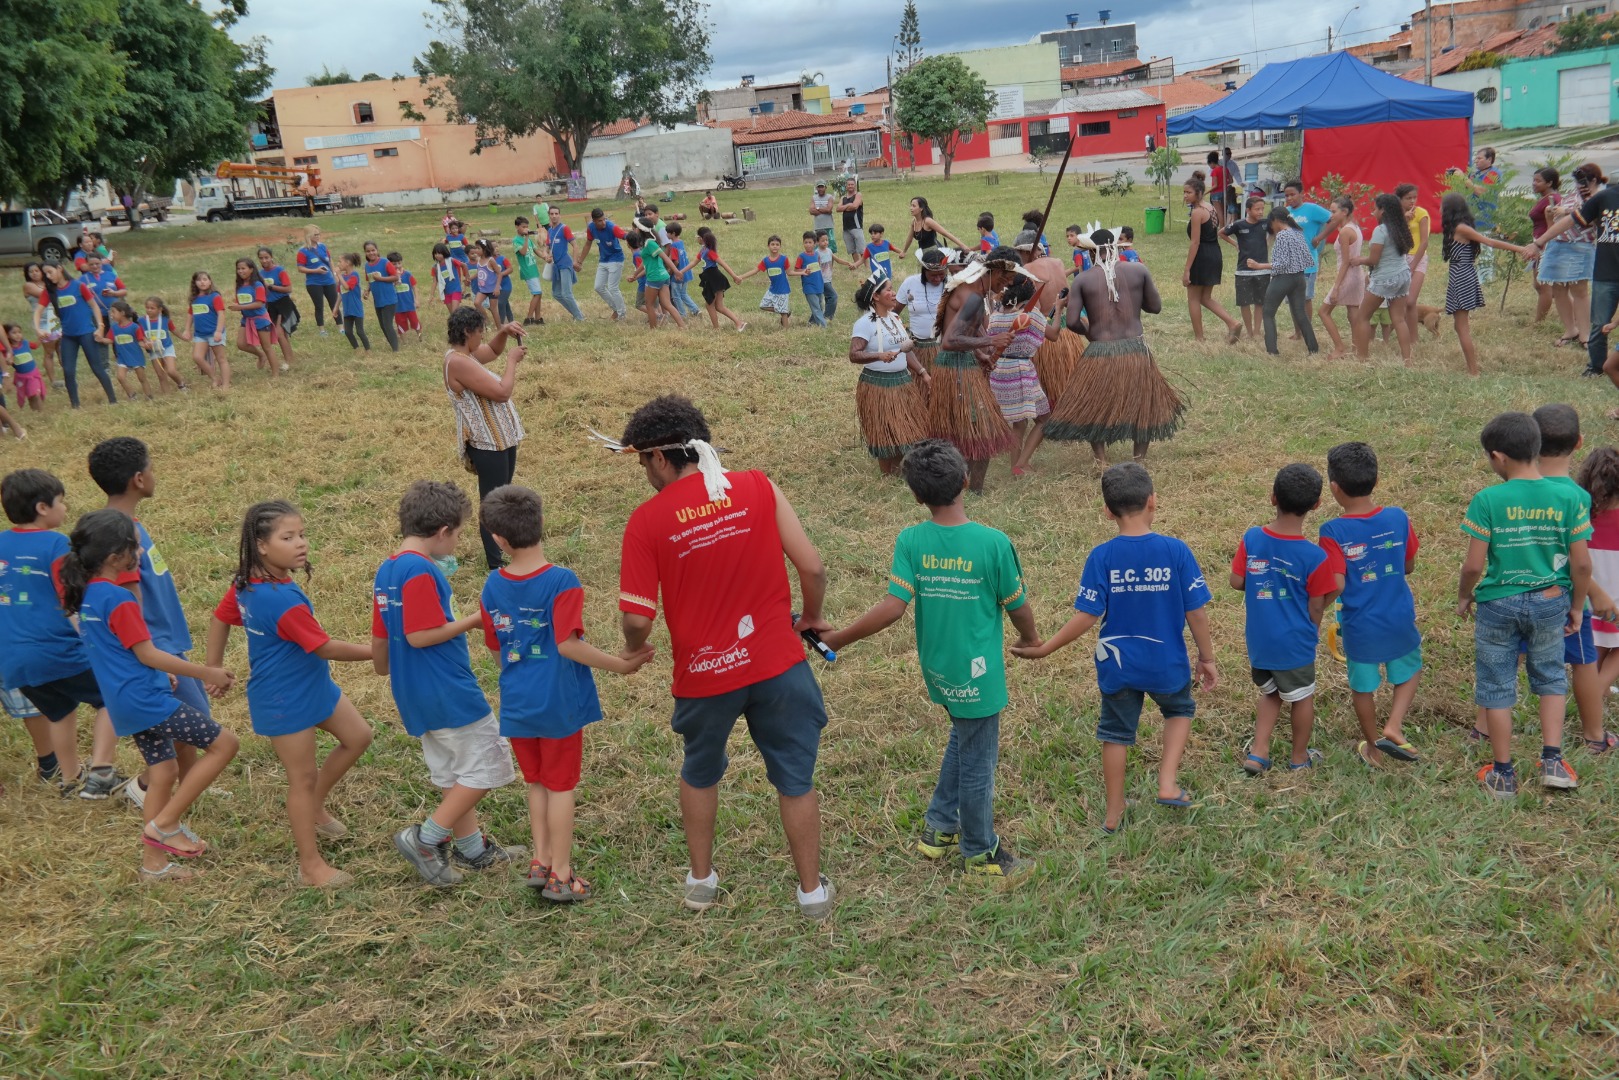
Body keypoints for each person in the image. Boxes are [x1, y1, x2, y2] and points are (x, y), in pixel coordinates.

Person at [613, 394, 836, 919]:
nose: (646, 474)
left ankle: (701, 884)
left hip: (705, 676)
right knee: (795, 778)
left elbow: (639, 618)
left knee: (700, 771)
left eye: (644, 462)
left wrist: (631, 648)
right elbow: (813, 567)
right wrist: (809, 617)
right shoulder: (758, 486)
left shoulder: (646, 522)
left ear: (660, 458)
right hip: (778, 665)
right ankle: (811, 893)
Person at [820, 440, 1035, 874]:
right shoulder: (992, 543)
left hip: (938, 668)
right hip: (979, 672)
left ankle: (939, 826)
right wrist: (1031, 639)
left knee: (964, 735)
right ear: (965, 479)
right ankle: (980, 850)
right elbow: (1017, 606)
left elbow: (891, 608)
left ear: (916, 495)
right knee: (979, 760)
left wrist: (839, 638)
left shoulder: (912, 539)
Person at [1011, 461, 1216, 831]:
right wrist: (1207, 657)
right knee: (1180, 711)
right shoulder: (1176, 552)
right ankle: (1167, 782)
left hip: (1117, 666)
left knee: (1115, 734)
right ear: (1153, 501)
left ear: (1107, 511)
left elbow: (1086, 616)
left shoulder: (1102, 557)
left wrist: (1046, 649)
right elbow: (1196, 612)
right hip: (1167, 663)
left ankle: (1113, 813)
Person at [479, 484, 654, 900]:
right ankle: (561, 874)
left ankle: (540, 860)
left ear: (499, 539)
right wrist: (621, 663)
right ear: (541, 524)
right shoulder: (562, 580)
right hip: (557, 702)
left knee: (537, 783)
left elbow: (495, 649)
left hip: (517, 702)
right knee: (561, 786)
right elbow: (567, 643)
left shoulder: (492, 585)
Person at [63, 509, 238, 883]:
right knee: (225, 744)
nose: (139, 553)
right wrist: (204, 671)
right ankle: (166, 823)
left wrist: (159, 671)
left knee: (163, 773)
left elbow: (120, 652)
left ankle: (153, 866)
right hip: (148, 701)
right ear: (115, 557)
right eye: (134, 547)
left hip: (126, 703)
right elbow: (146, 652)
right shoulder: (120, 599)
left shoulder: (89, 597)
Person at [207, 501, 376, 887]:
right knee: (300, 778)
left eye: (301, 535)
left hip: (312, 686)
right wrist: (380, 653)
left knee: (358, 737)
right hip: (283, 699)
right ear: (262, 545)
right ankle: (310, 867)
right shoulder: (277, 599)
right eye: (288, 537)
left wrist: (213, 667)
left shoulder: (253, 581)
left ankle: (316, 806)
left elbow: (220, 617)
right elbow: (325, 648)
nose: (301, 544)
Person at [373, 481, 521, 888]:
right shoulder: (420, 570)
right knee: (487, 762)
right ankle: (426, 839)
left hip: (414, 690)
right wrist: (475, 620)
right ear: (442, 532)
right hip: (447, 688)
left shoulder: (387, 569)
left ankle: (471, 848)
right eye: (457, 534)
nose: (456, 543)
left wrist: (387, 670)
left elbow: (382, 636)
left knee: (455, 773)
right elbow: (421, 635)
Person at [1459, 412, 1592, 798]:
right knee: (1550, 677)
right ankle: (1553, 761)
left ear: (1498, 457)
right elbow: (1582, 563)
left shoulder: (1487, 499)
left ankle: (1502, 772)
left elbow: (1473, 565)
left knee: (1496, 684)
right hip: (1553, 600)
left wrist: (1465, 595)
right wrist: (1578, 605)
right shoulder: (1569, 497)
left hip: (1497, 605)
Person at [87, 436, 211, 811]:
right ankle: (143, 787)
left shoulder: (122, 526)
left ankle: (190, 786)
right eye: (152, 468)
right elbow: (131, 607)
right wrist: (150, 657)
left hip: (163, 642)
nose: (155, 474)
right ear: (138, 479)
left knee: (188, 726)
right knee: (195, 722)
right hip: (156, 647)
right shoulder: (124, 536)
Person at [1494, 406, 1618, 758]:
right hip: (1562, 600)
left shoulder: (1510, 491)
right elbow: (1576, 561)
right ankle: (1595, 736)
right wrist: (1593, 596)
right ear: (1579, 442)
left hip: (1512, 594)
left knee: (1505, 660)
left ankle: (1482, 730)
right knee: (1582, 661)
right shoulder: (1576, 498)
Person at [0, 469, 121, 796]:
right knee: (113, 696)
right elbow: (70, 601)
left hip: (13, 659)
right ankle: (101, 770)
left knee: (58, 712)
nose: (65, 509)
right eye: (61, 502)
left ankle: (70, 780)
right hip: (56, 651)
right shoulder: (55, 543)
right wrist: (97, 642)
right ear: (42, 508)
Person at [1317, 442, 1422, 767]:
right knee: (1410, 669)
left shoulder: (1332, 530)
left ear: (1334, 488)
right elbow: (1408, 565)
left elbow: (1337, 584)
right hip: (1399, 618)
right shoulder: (1398, 517)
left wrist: (1317, 609)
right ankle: (1394, 724)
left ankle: (1373, 747)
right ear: (1376, 481)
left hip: (1360, 625)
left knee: (1363, 687)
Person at [1047, 229, 1185, 467]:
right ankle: (1138, 460)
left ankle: (1101, 461)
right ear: (1118, 248)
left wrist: (1089, 332)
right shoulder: (1139, 271)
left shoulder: (1082, 279)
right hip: (1135, 349)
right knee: (1143, 403)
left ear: (1091, 252)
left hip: (1100, 350)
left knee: (1094, 404)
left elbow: (1071, 322)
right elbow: (1155, 307)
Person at [1232, 463, 1337, 774]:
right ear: (1316, 505)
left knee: (1270, 692)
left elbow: (1237, 582)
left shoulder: (1252, 538)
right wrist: (1311, 632)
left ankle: (1258, 752)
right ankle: (1299, 757)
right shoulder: (1315, 557)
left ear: (1272, 497)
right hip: (1294, 643)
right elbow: (1317, 606)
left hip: (1259, 641)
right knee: (1302, 698)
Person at [443, 308, 527, 571]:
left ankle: (505, 549)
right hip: (486, 443)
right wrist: (512, 361)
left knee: (503, 496)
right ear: (468, 332)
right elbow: (502, 392)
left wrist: (502, 333)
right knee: (493, 503)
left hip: (501, 439)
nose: (483, 337)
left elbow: (491, 352)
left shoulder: (465, 355)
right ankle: (495, 564)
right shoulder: (457, 362)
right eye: (480, 332)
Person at [933, 249, 1022, 493]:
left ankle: (965, 489)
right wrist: (991, 342)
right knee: (981, 432)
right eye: (1005, 276)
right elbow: (950, 340)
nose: (1009, 282)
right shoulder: (971, 295)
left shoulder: (976, 292)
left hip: (960, 364)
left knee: (967, 431)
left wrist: (981, 355)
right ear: (992, 271)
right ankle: (973, 492)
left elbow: (967, 330)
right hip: (956, 367)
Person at [1531, 162, 1619, 379]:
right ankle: (1596, 366)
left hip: (1591, 258)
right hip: (1606, 271)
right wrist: (1540, 241)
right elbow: (1570, 221)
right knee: (1599, 321)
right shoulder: (1603, 199)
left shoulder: (1599, 196)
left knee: (1592, 311)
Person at [1441, 191, 1532, 377]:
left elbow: (1490, 242)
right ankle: (1472, 369)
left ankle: (1473, 372)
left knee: (1462, 326)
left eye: (1443, 206)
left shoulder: (1461, 228)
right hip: (1460, 274)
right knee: (1459, 326)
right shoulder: (1457, 227)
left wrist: (1520, 248)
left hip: (1462, 276)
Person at [848, 275, 930, 474]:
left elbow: (906, 349)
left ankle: (902, 470)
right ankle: (888, 475)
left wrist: (922, 372)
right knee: (884, 430)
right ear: (876, 296)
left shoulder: (894, 318)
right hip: (877, 385)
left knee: (907, 427)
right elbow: (854, 354)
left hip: (902, 381)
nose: (894, 294)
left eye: (893, 289)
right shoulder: (864, 323)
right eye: (889, 290)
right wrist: (879, 355)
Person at [986, 275, 1054, 476]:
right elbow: (1055, 334)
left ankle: (1016, 466)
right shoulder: (1031, 315)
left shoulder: (996, 315)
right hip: (1021, 370)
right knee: (1044, 419)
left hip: (999, 370)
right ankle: (1021, 464)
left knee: (1019, 421)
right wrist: (1058, 309)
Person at [1014, 218, 1084, 414]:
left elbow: (1032, 308)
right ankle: (1071, 409)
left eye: (1019, 253)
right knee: (1067, 374)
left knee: (1051, 379)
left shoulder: (1027, 270)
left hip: (1046, 331)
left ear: (1027, 251)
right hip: (1066, 329)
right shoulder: (1058, 262)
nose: (1019, 258)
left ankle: (1056, 412)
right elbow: (1068, 295)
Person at [1577, 445, 1619, 752]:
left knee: (1599, 651)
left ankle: (1597, 692)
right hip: (1615, 598)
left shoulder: (1581, 517)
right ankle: (1597, 692)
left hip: (1589, 598)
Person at [1537, 164, 1600, 350]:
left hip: (1580, 245)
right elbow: (1557, 222)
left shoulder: (1598, 196)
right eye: (1578, 181)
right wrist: (1552, 213)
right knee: (1558, 288)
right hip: (1558, 243)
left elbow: (1593, 218)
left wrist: (1566, 212)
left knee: (1579, 290)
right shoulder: (1572, 195)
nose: (1580, 185)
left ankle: (1585, 334)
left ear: (1594, 180)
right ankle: (1570, 330)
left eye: (1584, 181)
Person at [37, 261, 116, 407]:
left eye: (50, 272)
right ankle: (75, 405)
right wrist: (38, 329)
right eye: (45, 274)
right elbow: (38, 312)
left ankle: (113, 399)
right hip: (68, 336)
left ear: (59, 268)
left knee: (97, 368)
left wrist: (100, 326)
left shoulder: (78, 286)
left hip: (86, 333)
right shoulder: (50, 292)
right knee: (68, 370)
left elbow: (94, 306)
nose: (48, 276)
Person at [1350, 194, 1417, 364]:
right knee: (1399, 319)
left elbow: (1373, 260)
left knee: (1362, 317)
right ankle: (1407, 359)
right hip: (1403, 276)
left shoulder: (1380, 231)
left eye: (1375, 209)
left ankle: (1362, 358)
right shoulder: (1401, 227)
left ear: (1383, 210)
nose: (1373, 213)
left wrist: (1359, 260)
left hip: (1385, 279)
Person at [1245, 208, 1320, 356]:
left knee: (1268, 313)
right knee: (1301, 314)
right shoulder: (1298, 233)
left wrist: (1259, 266)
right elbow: (1307, 258)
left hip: (1283, 279)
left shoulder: (1283, 236)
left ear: (1275, 221)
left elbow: (1282, 263)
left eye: (1271, 224)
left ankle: (1272, 351)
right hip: (1300, 278)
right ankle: (1313, 348)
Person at [1181, 177, 1240, 342]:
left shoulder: (1197, 212)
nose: (1185, 195)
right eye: (1184, 192)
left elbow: (1195, 242)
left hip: (1202, 255)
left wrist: (1187, 270)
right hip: (1215, 252)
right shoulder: (1211, 207)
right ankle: (1232, 322)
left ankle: (1199, 338)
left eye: (1189, 192)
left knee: (1193, 298)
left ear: (1198, 193)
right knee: (1205, 297)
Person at [1284, 181, 1334, 333]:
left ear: (1301, 194)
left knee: (1304, 298)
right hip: (1289, 263)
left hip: (1307, 263)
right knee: (1292, 299)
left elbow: (1334, 219)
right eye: (1286, 195)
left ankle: (1307, 331)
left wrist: (1320, 237)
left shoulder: (1312, 209)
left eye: (1292, 194)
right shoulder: (1286, 212)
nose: (1289, 198)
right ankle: (1297, 332)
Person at [1318, 195, 1364, 359]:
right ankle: (1357, 349)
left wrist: (1336, 287)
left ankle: (1340, 348)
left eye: (1333, 211)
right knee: (1353, 313)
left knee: (1323, 312)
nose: (1330, 215)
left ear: (1344, 212)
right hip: (1356, 275)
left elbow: (1345, 262)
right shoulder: (1354, 227)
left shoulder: (1345, 231)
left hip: (1347, 276)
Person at [1223, 196, 1270, 343]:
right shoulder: (1239, 224)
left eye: (1262, 208)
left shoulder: (1265, 224)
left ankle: (1256, 331)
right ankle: (1249, 331)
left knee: (1260, 302)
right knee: (1244, 302)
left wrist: (1269, 242)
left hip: (1262, 270)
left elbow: (1276, 230)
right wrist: (1235, 244)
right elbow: (1221, 233)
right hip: (1243, 270)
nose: (1261, 212)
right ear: (1248, 210)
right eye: (1257, 209)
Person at [894, 247, 949, 371]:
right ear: (924, 271)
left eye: (941, 274)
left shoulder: (951, 285)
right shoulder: (910, 283)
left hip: (944, 347)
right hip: (917, 347)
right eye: (933, 275)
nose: (938, 279)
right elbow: (893, 314)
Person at [626, 223, 685, 330]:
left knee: (649, 305)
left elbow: (665, 258)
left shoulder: (650, 244)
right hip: (664, 276)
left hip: (655, 277)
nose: (634, 230)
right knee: (667, 304)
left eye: (636, 228)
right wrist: (635, 275)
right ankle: (683, 326)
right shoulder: (646, 244)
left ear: (641, 230)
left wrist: (676, 271)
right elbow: (645, 262)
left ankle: (653, 329)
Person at [226, 258, 276, 377]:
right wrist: (236, 305)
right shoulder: (239, 286)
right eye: (238, 269)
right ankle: (260, 355)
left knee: (267, 347)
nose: (240, 271)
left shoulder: (258, 285)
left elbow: (259, 303)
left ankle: (276, 374)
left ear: (251, 269)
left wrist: (239, 307)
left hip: (260, 319)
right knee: (241, 344)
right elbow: (240, 302)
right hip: (246, 319)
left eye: (243, 268)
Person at [1396, 184, 1432, 346]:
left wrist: (1413, 265)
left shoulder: (1421, 213)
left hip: (1417, 258)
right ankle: (1408, 336)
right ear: (1400, 199)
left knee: (1410, 301)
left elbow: (1424, 242)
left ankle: (1414, 339)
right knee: (1401, 301)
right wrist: (1403, 219)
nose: (1412, 201)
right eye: (1407, 198)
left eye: (1414, 198)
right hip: (1400, 258)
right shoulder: (1396, 215)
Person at [180, 270, 229, 389]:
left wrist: (218, 331)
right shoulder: (194, 299)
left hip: (214, 333)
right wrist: (187, 329)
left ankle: (226, 384)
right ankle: (214, 378)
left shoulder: (214, 296)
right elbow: (190, 315)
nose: (202, 282)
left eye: (205, 279)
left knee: (221, 359)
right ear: (195, 283)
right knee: (197, 357)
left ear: (210, 281)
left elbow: (221, 314)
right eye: (199, 280)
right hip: (200, 334)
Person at [580, 207, 630, 320]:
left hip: (616, 258)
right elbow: (588, 244)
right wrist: (580, 261)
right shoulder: (591, 228)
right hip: (603, 260)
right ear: (594, 221)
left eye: (604, 219)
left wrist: (635, 239)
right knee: (598, 287)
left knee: (613, 287)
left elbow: (625, 236)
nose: (603, 223)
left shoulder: (611, 226)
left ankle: (622, 315)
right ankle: (616, 309)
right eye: (599, 221)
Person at [694, 227, 746, 331]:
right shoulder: (703, 251)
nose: (696, 239)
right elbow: (693, 262)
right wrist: (680, 271)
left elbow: (723, 263)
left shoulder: (709, 252)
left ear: (701, 238)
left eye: (697, 237)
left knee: (709, 305)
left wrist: (734, 276)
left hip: (713, 279)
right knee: (719, 306)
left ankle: (716, 329)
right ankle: (739, 323)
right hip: (713, 278)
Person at [735, 235, 793, 328]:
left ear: (780, 246)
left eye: (777, 244)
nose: (775, 246)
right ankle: (784, 311)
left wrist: (803, 272)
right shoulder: (766, 261)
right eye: (772, 244)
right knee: (763, 305)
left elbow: (790, 272)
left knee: (783, 313)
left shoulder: (784, 259)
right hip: (772, 289)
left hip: (783, 290)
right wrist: (741, 277)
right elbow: (755, 270)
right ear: (768, 246)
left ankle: (786, 331)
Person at [256, 246, 297, 373]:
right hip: (270, 306)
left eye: (266, 257)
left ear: (271, 257)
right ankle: (291, 359)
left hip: (283, 304)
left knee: (279, 333)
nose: (264, 260)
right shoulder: (260, 274)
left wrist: (272, 287)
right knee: (281, 334)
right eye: (261, 258)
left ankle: (288, 361)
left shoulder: (280, 270)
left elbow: (288, 289)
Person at [21, 263, 61, 387]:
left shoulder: (48, 283)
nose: (34, 273)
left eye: (37, 270)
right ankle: (53, 380)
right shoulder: (28, 286)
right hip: (43, 322)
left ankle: (68, 376)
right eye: (31, 272)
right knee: (49, 352)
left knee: (62, 349)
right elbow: (45, 294)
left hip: (56, 319)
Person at [1467, 146, 1503, 284]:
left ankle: (1486, 278)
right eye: (1475, 158)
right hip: (1472, 217)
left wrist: (1465, 181)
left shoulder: (1493, 174)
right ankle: (1474, 277)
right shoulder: (1474, 174)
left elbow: (1483, 192)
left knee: (1485, 248)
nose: (1476, 161)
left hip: (1485, 217)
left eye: (1479, 158)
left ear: (1489, 159)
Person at [106, 301, 155, 401]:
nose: (111, 315)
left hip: (136, 357)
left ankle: (149, 397)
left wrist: (147, 345)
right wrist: (100, 339)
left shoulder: (135, 327)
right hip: (122, 358)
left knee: (141, 378)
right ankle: (132, 395)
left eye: (113, 312)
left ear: (122, 313)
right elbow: (110, 340)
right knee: (120, 377)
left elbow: (140, 342)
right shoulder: (114, 328)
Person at [295, 225, 338, 333]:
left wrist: (334, 274)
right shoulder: (303, 251)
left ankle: (341, 327)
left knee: (334, 303)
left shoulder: (323, 247)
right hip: (314, 283)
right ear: (309, 236)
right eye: (315, 235)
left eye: (319, 234)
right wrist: (315, 271)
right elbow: (300, 268)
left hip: (329, 280)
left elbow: (330, 261)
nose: (318, 236)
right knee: (319, 306)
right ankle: (321, 329)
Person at [139, 297, 186, 392]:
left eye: (152, 308)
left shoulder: (165, 320)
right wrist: (145, 343)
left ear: (160, 309)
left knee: (171, 370)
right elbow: (140, 335)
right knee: (161, 375)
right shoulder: (141, 321)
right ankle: (167, 395)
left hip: (167, 347)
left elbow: (174, 330)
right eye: (147, 307)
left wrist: (184, 337)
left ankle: (181, 384)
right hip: (154, 350)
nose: (149, 310)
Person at [898, 196, 965, 258]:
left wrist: (963, 246)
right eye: (911, 205)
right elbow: (909, 238)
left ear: (921, 208)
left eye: (914, 206)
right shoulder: (914, 222)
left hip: (934, 253)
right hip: (922, 253)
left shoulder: (928, 221)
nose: (911, 208)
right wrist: (904, 251)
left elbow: (946, 233)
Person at [512, 216, 548, 326]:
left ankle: (538, 318)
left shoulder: (529, 240)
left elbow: (537, 251)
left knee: (538, 294)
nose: (526, 229)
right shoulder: (516, 240)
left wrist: (545, 257)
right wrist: (526, 238)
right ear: (517, 227)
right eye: (523, 227)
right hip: (527, 270)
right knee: (537, 293)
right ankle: (529, 318)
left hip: (533, 269)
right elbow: (522, 252)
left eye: (527, 227)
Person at [3, 325, 45, 413]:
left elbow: (35, 346)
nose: (18, 335)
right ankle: (35, 412)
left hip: (33, 374)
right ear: (7, 335)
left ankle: (41, 413)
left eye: (19, 332)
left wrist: (41, 338)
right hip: (21, 377)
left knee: (35, 393)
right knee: (30, 395)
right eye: (14, 333)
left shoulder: (25, 343)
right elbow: (6, 362)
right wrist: (8, 361)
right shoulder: (8, 350)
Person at [336, 254, 371, 355]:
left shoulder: (354, 275)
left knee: (360, 331)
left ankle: (368, 350)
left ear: (348, 263)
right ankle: (357, 349)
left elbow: (347, 287)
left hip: (356, 309)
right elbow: (341, 294)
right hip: (347, 310)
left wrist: (338, 276)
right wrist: (335, 308)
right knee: (348, 332)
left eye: (340, 261)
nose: (338, 264)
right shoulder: (342, 277)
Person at [793, 232, 830, 327]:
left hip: (819, 284)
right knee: (816, 307)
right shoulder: (801, 256)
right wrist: (804, 270)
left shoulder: (817, 255)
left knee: (820, 306)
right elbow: (796, 269)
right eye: (806, 242)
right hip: (809, 286)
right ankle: (823, 326)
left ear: (815, 243)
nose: (808, 245)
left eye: (810, 242)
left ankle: (811, 323)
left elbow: (819, 268)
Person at [665, 221, 700, 319]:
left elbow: (675, 261)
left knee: (676, 296)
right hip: (686, 273)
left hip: (678, 275)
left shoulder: (673, 246)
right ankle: (695, 310)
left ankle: (682, 314)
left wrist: (670, 271)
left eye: (668, 232)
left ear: (673, 234)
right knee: (683, 293)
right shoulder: (680, 242)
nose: (666, 234)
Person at [389, 252, 423, 342]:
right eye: (394, 264)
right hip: (398, 307)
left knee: (415, 322)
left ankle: (420, 338)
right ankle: (404, 342)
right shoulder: (389, 277)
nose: (397, 266)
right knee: (400, 324)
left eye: (399, 263)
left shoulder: (407, 274)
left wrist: (417, 300)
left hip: (409, 305)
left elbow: (414, 287)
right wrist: (395, 280)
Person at [430, 242, 468, 315]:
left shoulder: (451, 261)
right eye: (436, 253)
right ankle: (461, 324)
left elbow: (464, 265)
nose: (437, 255)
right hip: (446, 292)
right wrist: (431, 295)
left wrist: (467, 277)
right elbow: (435, 282)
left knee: (454, 311)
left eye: (439, 253)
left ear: (444, 253)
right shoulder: (435, 268)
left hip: (456, 289)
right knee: (453, 315)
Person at [815, 230, 841, 320]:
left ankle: (822, 317)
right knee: (833, 296)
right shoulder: (817, 253)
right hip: (822, 280)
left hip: (828, 279)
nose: (826, 242)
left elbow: (837, 260)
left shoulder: (829, 250)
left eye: (827, 240)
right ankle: (827, 317)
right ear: (817, 242)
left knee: (828, 298)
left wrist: (849, 263)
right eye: (823, 240)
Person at [838, 178, 865, 257]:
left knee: (861, 248)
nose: (850, 186)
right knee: (851, 249)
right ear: (846, 186)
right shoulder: (843, 198)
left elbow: (855, 206)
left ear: (855, 186)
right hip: (846, 227)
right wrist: (848, 205)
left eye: (852, 184)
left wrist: (845, 207)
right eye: (848, 184)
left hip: (856, 225)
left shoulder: (858, 195)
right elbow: (838, 209)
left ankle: (867, 266)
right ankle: (856, 266)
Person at [1207, 151, 1227, 227]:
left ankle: (1221, 228)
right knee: (1223, 211)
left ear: (1211, 162)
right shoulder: (1224, 169)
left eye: (1209, 164)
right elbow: (1230, 180)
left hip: (1216, 194)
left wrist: (1206, 192)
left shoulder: (1214, 171)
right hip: (1223, 192)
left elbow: (1215, 185)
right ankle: (1224, 227)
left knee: (1219, 212)